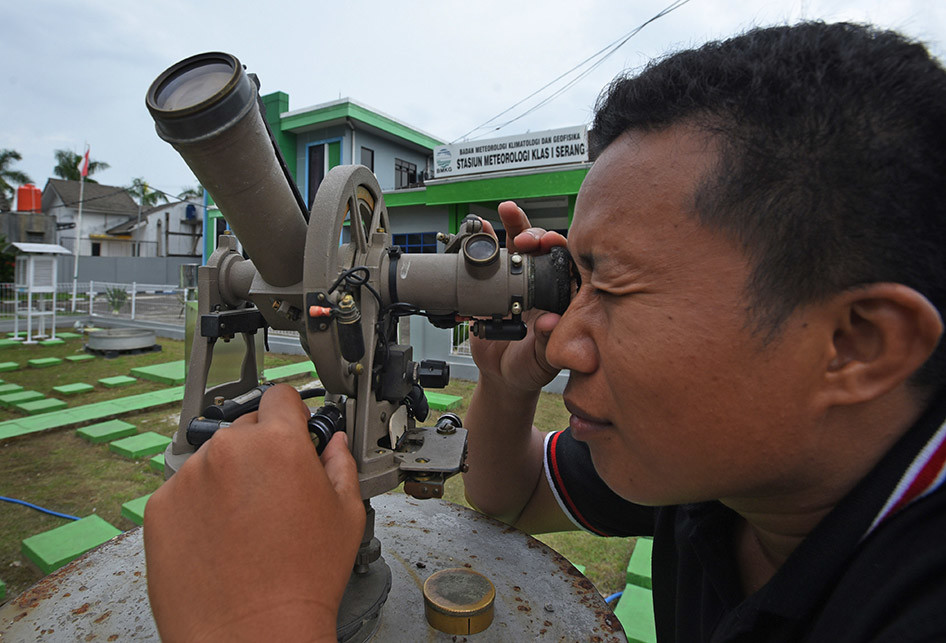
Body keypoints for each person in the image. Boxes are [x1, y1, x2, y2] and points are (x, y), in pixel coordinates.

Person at [144, 21, 946, 642]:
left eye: (617, 286)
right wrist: (507, 379)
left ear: (857, 343)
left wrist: (261, 620)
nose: (563, 340)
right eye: (578, 278)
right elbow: (510, 493)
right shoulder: (724, 472)